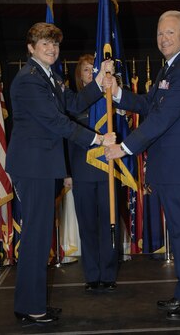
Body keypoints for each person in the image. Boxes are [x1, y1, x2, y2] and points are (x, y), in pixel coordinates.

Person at [105, 11, 180, 321]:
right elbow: (149, 105)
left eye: (170, 33)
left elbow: (163, 119)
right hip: (171, 166)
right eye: (160, 33)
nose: (164, 38)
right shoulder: (172, 67)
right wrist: (118, 93)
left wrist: (124, 148)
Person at [5, 23, 115, 324]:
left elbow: (75, 103)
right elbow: (56, 122)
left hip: (41, 165)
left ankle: (31, 303)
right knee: (36, 238)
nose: (51, 49)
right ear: (31, 48)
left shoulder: (49, 76)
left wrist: (99, 80)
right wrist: (98, 139)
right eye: (44, 44)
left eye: (54, 44)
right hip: (33, 166)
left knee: (39, 237)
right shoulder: (30, 80)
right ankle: (30, 307)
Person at [68, 54, 119, 293]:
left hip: (107, 171)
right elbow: (66, 140)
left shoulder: (110, 101)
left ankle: (108, 274)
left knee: (109, 224)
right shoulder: (73, 102)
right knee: (87, 225)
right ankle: (91, 274)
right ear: (80, 75)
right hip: (81, 172)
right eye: (86, 70)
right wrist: (67, 173)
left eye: (93, 69)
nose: (90, 74)